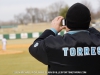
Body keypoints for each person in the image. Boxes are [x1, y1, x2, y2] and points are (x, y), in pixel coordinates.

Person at [29, 3, 100, 75]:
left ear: (66, 23)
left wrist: (52, 30)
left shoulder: (53, 44)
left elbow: (34, 47)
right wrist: (84, 26)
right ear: (89, 22)